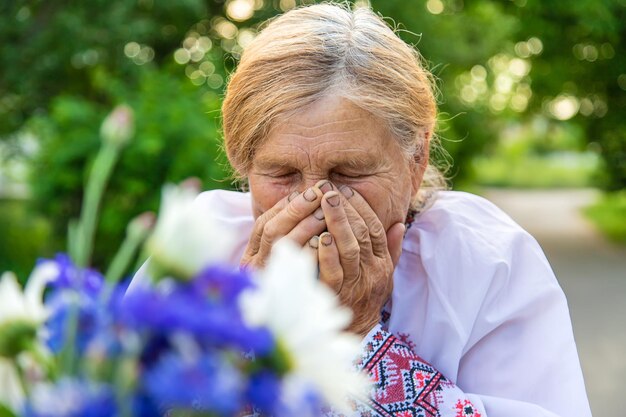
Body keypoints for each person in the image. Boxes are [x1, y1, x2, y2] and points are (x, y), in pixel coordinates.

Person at [134, 3, 592, 416]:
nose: (315, 203)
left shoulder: (485, 258)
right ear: (243, 165)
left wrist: (359, 334)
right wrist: (247, 328)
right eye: (282, 174)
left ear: (417, 160)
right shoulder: (200, 246)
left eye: (348, 173)